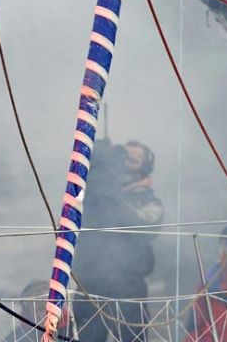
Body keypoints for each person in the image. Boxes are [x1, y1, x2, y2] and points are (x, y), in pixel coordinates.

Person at [72, 138, 164, 342]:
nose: (122, 165)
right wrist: (96, 161)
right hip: (89, 284)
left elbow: (144, 226)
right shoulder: (93, 194)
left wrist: (109, 191)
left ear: (144, 170)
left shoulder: (149, 202)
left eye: (131, 161)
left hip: (128, 287)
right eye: (121, 158)